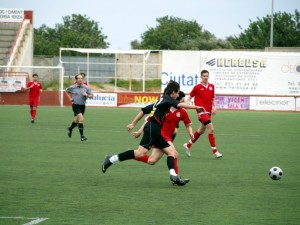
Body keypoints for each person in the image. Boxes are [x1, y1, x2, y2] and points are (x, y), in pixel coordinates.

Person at [101, 80, 205, 186]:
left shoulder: (161, 100)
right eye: (177, 93)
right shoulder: (168, 99)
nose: (178, 95)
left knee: (171, 153)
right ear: (173, 92)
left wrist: (133, 124)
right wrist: (196, 107)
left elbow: (144, 110)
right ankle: (111, 159)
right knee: (140, 153)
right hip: (152, 128)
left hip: (156, 130)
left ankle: (174, 176)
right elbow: (180, 104)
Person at [132, 91, 194, 178]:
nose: (185, 103)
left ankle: (133, 154)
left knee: (152, 160)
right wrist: (139, 131)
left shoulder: (182, 112)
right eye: (183, 101)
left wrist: (190, 133)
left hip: (165, 138)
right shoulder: (164, 108)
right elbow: (149, 120)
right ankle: (176, 177)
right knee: (174, 153)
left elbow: (187, 125)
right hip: (160, 135)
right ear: (178, 101)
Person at [183, 69, 222, 158]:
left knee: (201, 131)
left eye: (207, 76)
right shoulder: (197, 87)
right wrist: (188, 102)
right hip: (201, 112)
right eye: (204, 76)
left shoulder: (212, 86)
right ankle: (215, 152)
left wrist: (215, 107)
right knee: (211, 128)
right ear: (201, 77)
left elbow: (213, 98)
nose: (205, 77)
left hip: (208, 112)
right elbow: (190, 96)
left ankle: (188, 145)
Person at [65, 74, 93, 141]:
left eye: (81, 78)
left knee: (77, 120)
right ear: (76, 80)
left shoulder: (86, 87)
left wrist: (87, 95)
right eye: (79, 78)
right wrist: (70, 98)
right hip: (75, 105)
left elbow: (92, 96)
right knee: (81, 119)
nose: (80, 79)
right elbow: (66, 91)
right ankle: (82, 136)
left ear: (83, 79)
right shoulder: (73, 87)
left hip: (82, 106)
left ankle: (70, 128)